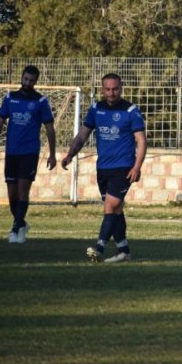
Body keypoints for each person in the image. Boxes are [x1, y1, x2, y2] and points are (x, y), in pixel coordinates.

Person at [60, 73, 147, 264]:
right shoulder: (96, 109)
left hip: (123, 168)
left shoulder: (131, 111)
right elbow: (82, 135)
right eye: (107, 89)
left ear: (121, 87)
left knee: (110, 205)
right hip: (103, 168)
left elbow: (141, 140)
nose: (111, 93)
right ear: (102, 89)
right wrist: (70, 155)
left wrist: (137, 166)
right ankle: (123, 250)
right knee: (115, 210)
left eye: (115, 89)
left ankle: (99, 248)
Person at [0, 65, 56, 243]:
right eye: (25, 79)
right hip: (12, 152)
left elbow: (49, 128)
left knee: (22, 191)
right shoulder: (10, 98)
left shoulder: (41, 102)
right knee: (11, 194)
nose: (27, 83)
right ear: (22, 77)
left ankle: (15, 230)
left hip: (30, 152)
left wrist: (52, 153)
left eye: (31, 80)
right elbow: (0, 121)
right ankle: (21, 223)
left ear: (36, 81)